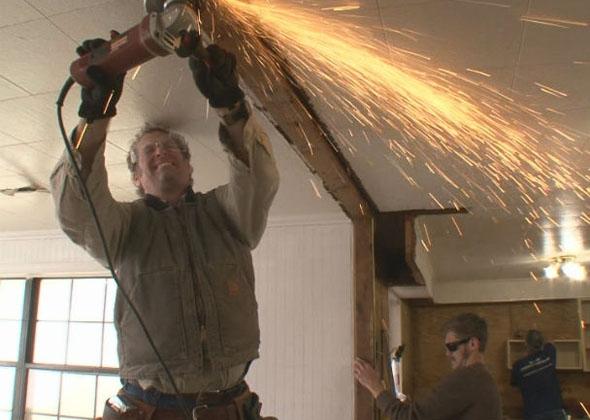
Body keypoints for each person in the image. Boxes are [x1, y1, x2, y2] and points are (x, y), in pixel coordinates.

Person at [50, 36, 279, 420]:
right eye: (149, 150)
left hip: (231, 407)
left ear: (189, 168)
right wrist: (95, 116)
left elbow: (260, 178)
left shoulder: (226, 214)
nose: (161, 150)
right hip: (150, 409)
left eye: (171, 147)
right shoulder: (124, 227)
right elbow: (76, 208)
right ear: (137, 177)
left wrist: (232, 106)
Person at [354, 313, 502, 420]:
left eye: (452, 347)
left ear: (473, 344)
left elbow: (408, 418)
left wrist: (375, 387)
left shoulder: (467, 379)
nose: (447, 354)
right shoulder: (482, 378)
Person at [511, 330, 567, 420]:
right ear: (542, 343)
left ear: (526, 345)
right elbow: (550, 343)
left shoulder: (518, 366)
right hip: (555, 410)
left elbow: (515, 386)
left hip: (533, 413)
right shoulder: (549, 354)